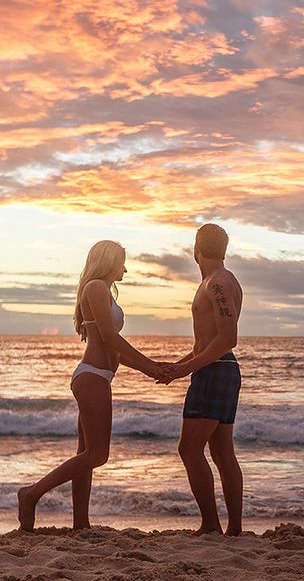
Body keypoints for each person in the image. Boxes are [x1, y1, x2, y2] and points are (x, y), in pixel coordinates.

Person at [17, 240, 164, 532]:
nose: (125, 267)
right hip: (92, 377)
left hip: (97, 377)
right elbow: (110, 338)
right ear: (109, 261)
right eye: (122, 260)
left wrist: (151, 369)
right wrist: (150, 365)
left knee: (85, 453)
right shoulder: (95, 287)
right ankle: (31, 494)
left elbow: (116, 351)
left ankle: (80, 523)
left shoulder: (103, 290)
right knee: (98, 455)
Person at [159, 223, 244, 536]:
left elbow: (227, 338)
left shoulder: (217, 284)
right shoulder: (217, 281)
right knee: (222, 453)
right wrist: (177, 366)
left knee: (189, 449)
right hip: (219, 368)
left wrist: (186, 370)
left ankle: (212, 524)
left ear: (196, 250)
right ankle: (233, 528)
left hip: (216, 371)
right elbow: (204, 344)